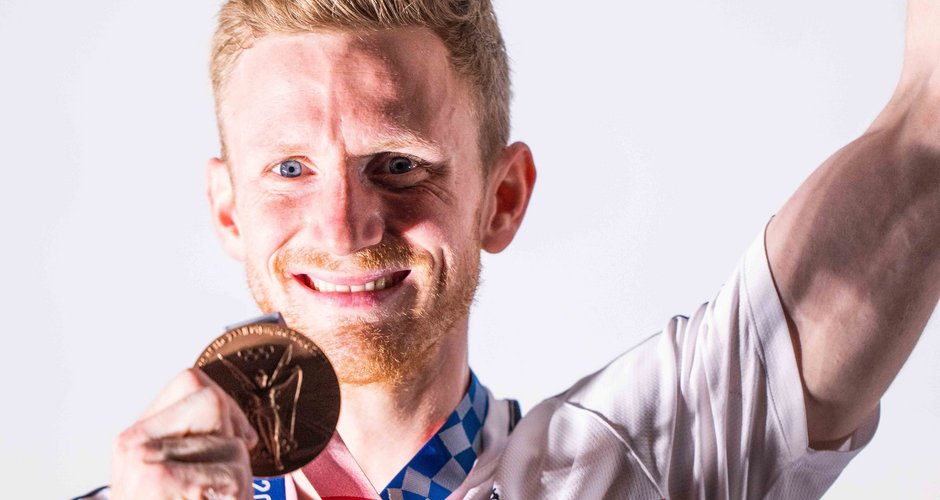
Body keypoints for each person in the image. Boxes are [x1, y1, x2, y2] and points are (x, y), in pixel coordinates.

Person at [80, 0, 939, 498]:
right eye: (291, 169)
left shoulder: (642, 464)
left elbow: (928, 138)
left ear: (502, 198)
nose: (344, 226)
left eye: (399, 164)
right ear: (229, 211)